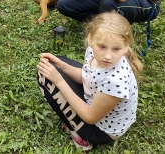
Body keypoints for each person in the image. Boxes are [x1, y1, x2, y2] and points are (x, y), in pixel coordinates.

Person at [37, 12, 142, 151]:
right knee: (56, 64)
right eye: (102, 47)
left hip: (100, 131)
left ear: (126, 47)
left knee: (46, 78)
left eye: (116, 49)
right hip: (95, 101)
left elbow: (90, 117)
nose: (108, 56)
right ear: (90, 39)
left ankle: (81, 139)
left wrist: (60, 81)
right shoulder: (92, 52)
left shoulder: (115, 81)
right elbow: (87, 76)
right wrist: (62, 66)